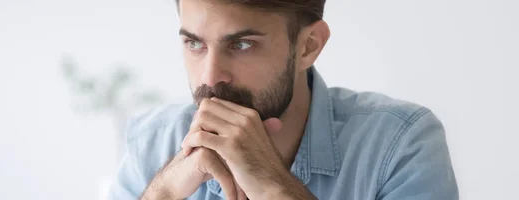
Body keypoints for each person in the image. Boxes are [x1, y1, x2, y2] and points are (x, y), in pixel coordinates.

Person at [110, 0, 458, 199]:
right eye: (194, 44)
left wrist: (273, 184)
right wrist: (162, 194)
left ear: (309, 46)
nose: (210, 76)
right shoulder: (153, 143)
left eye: (242, 44)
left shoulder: (399, 145)